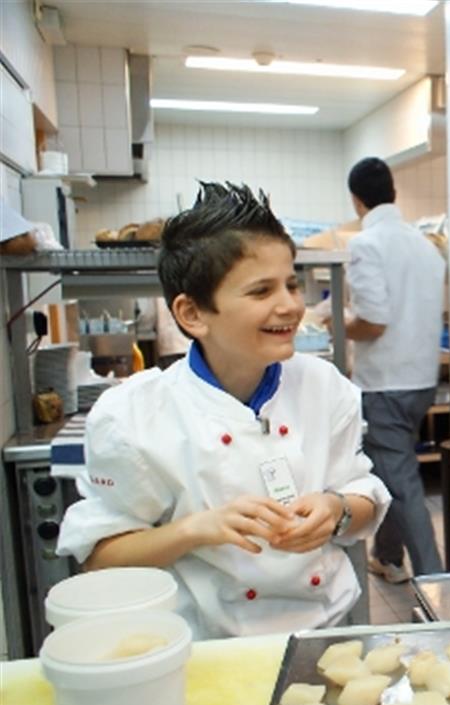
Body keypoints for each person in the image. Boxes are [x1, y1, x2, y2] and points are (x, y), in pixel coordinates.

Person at [57, 182, 392, 639]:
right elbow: (99, 557)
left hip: (326, 632)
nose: (291, 305)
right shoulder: (138, 414)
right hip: (209, 647)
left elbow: (364, 494)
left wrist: (336, 509)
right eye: (261, 291)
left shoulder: (324, 387)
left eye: (291, 284)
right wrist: (197, 529)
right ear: (193, 314)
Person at [343, 157, 446, 583]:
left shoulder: (365, 245)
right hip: (421, 380)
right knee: (383, 472)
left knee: (403, 488)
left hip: (384, 385)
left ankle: (437, 586)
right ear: (394, 193)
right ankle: (387, 558)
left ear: (356, 200)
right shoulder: (425, 244)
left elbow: (373, 322)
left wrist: (338, 323)